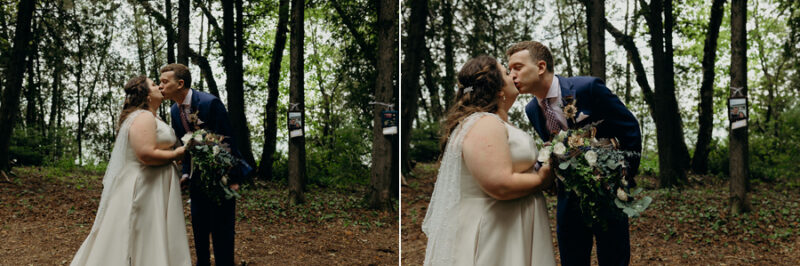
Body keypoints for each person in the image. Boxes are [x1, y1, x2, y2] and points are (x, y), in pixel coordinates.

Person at [507, 41, 642, 266]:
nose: (512, 75)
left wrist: (623, 176)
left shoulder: (588, 88)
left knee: (614, 258)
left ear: (540, 67)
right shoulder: (531, 110)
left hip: (608, 192)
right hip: (568, 199)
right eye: (509, 69)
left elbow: (629, 127)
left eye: (517, 67)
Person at [422, 55, 557, 266]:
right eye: (506, 72)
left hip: (509, 224)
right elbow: (499, 184)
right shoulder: (484, 123)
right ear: (498, 90)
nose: (513, 75)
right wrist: (542, 179)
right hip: (497, 231)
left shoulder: (493, 122)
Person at [71, 76, 191, 265]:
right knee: (144, 234)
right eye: (154, 84)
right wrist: (177, 153)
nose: (159, 86)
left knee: (154, 232)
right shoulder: (142, 117)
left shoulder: (153, 116)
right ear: (146, 95)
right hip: (144, 187)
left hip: (157, 185)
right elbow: (146, 154)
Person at [159, 63, 245, 266]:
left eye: (164, 82)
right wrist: (186, 173)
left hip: (222, 179)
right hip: (197, 181)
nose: (160, 86)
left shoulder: (209, 103)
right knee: (199, 229)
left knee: (222, 231)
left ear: (180, 84)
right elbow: (186, 145)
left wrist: (231, 178)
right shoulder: (173, 111)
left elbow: (228, 140)